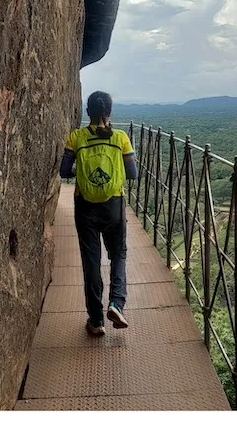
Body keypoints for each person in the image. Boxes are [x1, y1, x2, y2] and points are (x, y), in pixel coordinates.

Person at [59, 91, 138, 336]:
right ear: (109, 112)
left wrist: (83, 174)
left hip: (85, 205)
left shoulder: (77, 137)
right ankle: (116, 303)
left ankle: (96, 321)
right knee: (119, 254)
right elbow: (133, 173)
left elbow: (64, 171)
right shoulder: (121, 138)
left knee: (91, 262)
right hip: (114, 204)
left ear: (87, 112)